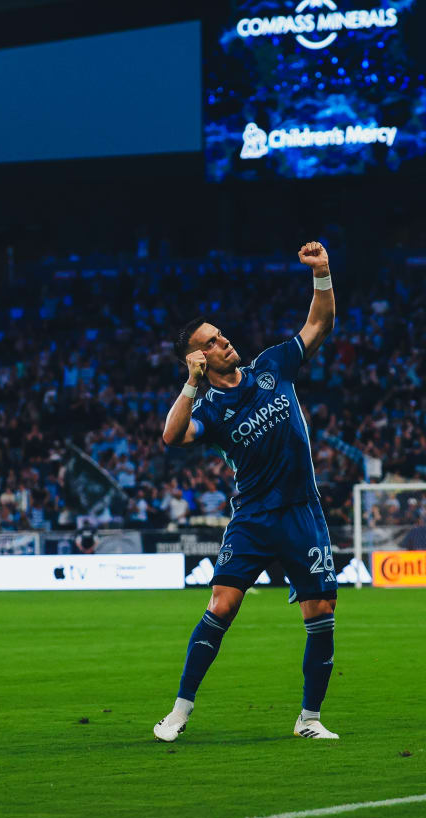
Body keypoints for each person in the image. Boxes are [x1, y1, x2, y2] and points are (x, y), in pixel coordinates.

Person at [154, 241, 339, 741]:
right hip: (254, 516)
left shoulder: (272, 366)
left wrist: (321, 272)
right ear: (198, 357)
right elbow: (171, 436)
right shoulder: (210, 410)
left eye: (220, 335)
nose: (223, 341)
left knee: (320, 612)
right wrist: (190, 384)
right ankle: (179, 712)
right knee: (222, 605)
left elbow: (319, 325)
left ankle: (310, 719)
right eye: (211, 342)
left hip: (302, 510)